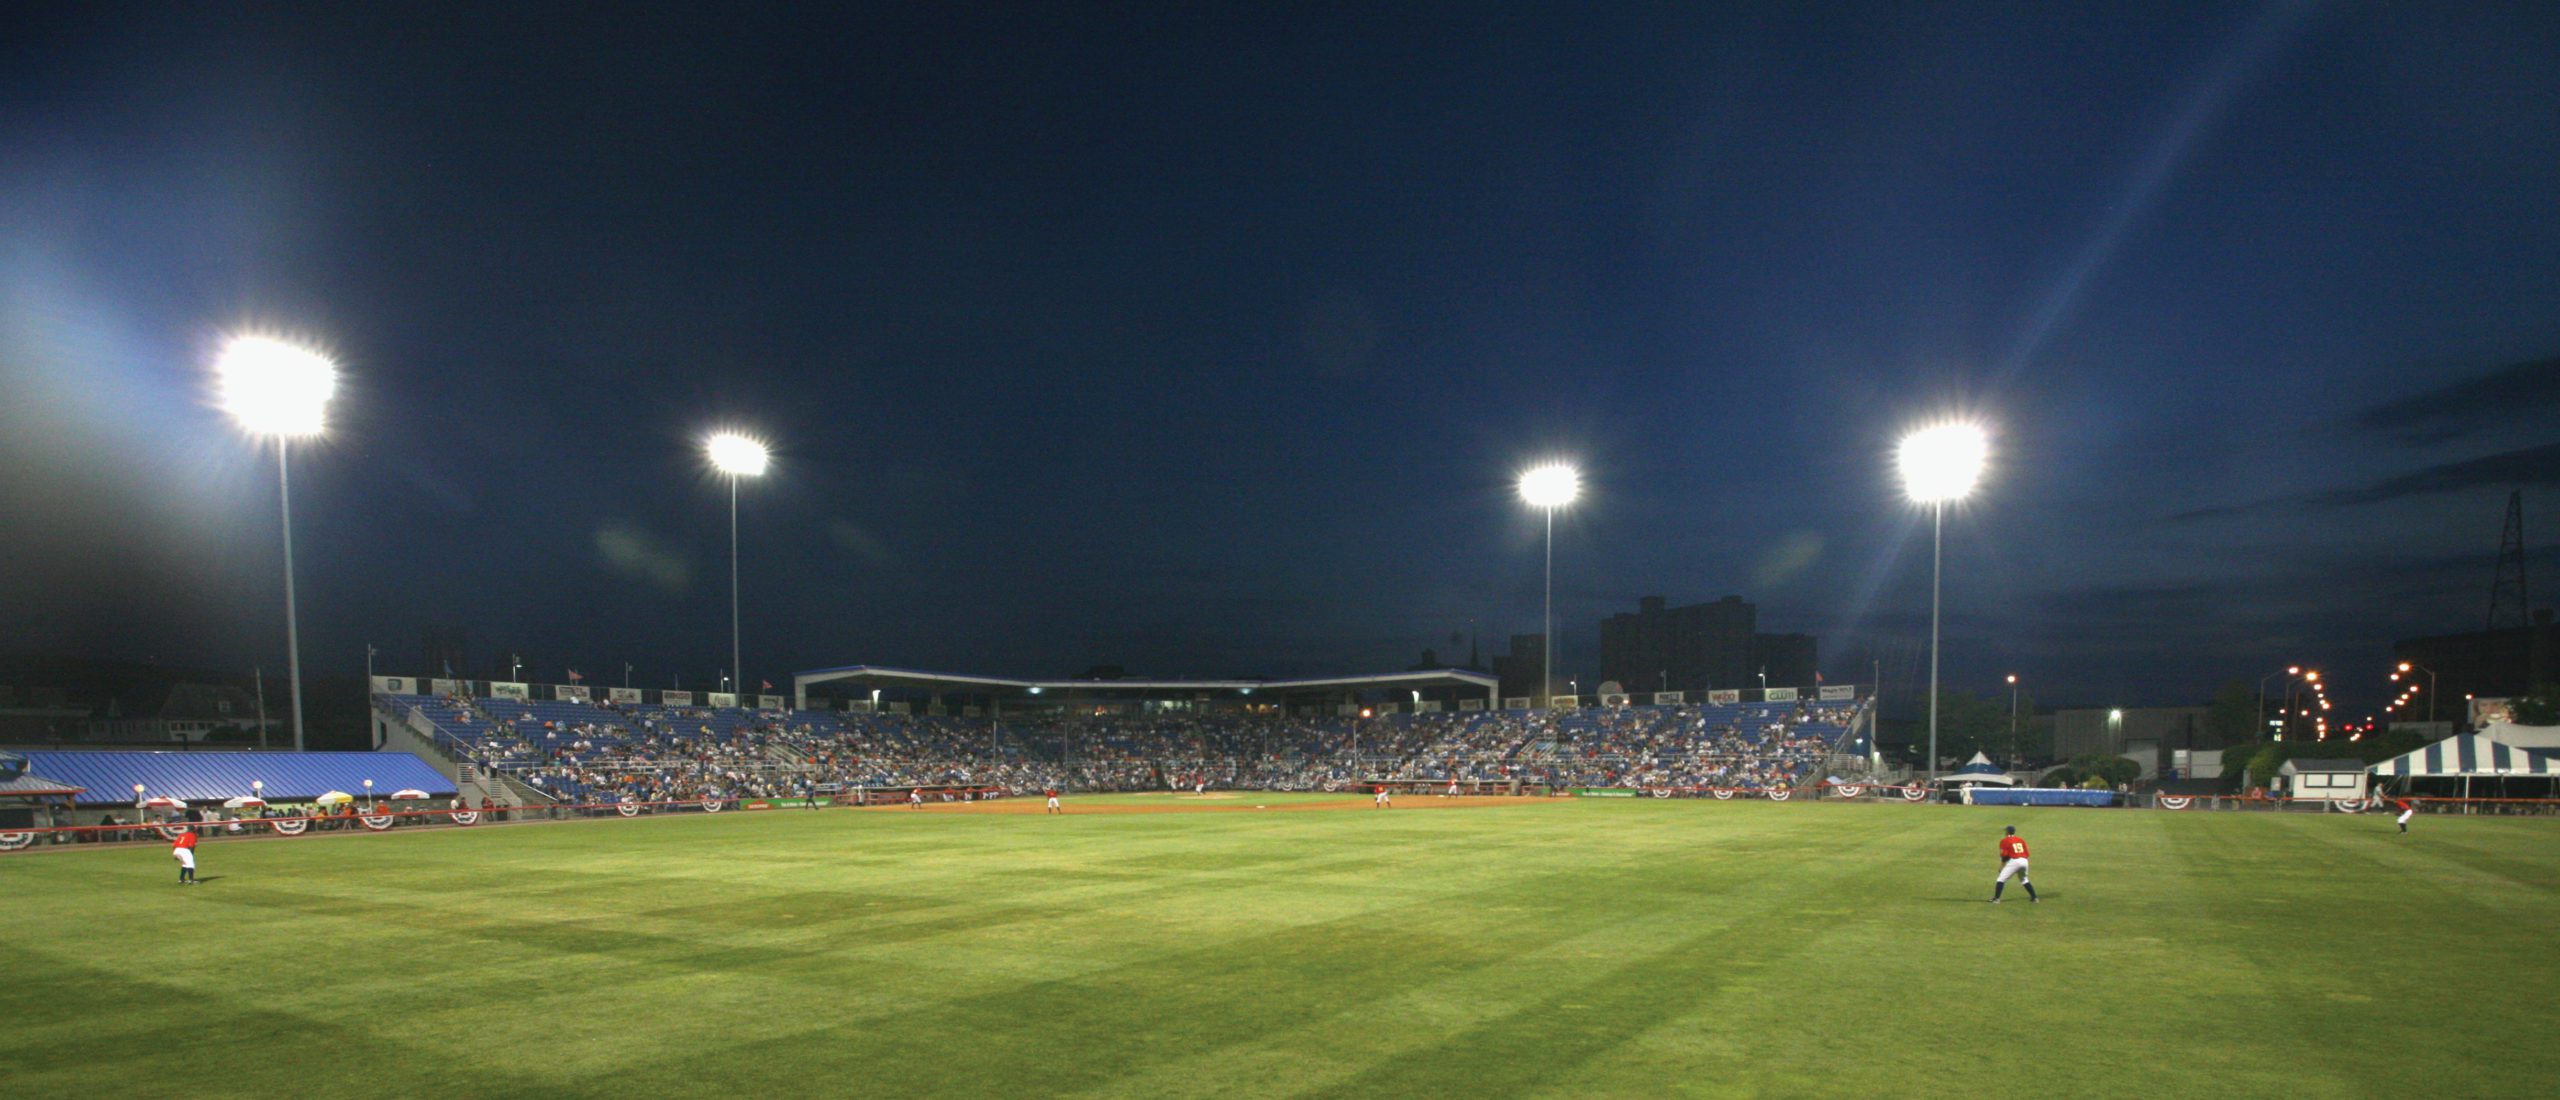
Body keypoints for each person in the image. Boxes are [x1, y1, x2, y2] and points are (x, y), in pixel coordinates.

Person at [1991, 825, 2036, 904]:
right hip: (2024, 860)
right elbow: (2027, 853)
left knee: (2000, 879)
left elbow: (2004, 855)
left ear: (2007, 832)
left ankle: (1996, 899)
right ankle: (2035, 898)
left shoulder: (2005, 840)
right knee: (2024, 879)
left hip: (2015, 861)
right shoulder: (2020, 840)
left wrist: (2002, 866)